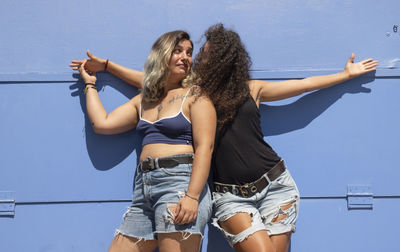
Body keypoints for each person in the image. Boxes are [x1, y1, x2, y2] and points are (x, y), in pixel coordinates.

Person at [71, 24, 378, 252]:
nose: (195, 59)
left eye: (200, 55)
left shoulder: (246, 89)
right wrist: (107, 69)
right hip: (225, 194)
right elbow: (151, 81)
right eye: (195, 55)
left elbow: (304, 84)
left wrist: (346, 75)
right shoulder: (190, 91)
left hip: (274, 184)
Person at [72, 30, 216, 252]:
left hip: (179, 184)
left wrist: (192, 196)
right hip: (144, 189)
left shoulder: (195, 96)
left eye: (189, 52)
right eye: (177, 51)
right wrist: (90, 85)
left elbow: (206, 147)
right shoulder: (144, 99)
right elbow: (102, 123)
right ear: (162, 55)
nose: (185, 57)